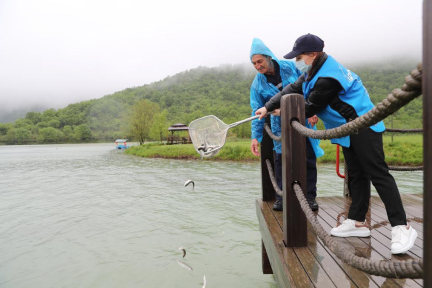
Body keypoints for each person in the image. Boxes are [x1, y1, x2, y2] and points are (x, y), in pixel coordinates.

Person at [255, 33, 417, 254]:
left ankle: (401, 226)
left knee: (378, 174)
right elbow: (291, 89)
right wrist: (267, 106)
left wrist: (280, 112)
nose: (297, 62)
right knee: (356, 174)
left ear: (313, 54)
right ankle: (357, 221)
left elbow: (309, 108)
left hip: (364, 126)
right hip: (349, 129)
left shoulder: (327, 77)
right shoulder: (314, 71)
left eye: (300, 57)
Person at [249, 38, 324, 212]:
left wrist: (313, 111)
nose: (257, 66)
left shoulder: (290, 67)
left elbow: (309, 86)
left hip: (303, 119)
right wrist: (255, 137)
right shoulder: (257, 85)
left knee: (308, 158)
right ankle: (282, 197)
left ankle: (310, 197)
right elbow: (256, 112)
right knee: (281, 161)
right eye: (254, 63)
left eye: (260, 61)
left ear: (269, 57)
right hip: (279, 127)